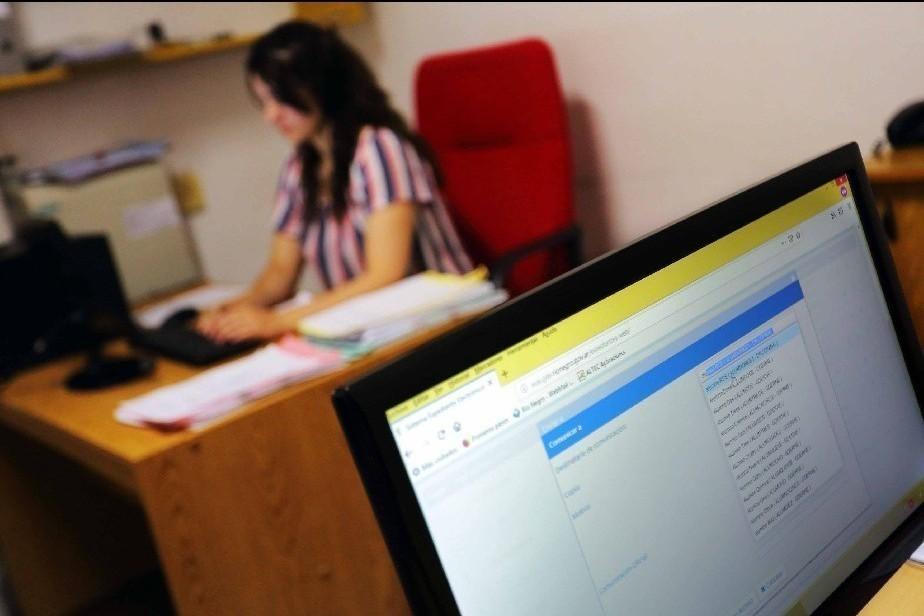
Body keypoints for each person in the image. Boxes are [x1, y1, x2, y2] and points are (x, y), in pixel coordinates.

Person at [197, 21, 473, 343]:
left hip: (439, 323)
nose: (270, 115)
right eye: (264, 102)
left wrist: (278, 320)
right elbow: (280, 271)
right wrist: (233, 310)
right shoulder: (299, 167)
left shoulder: (380, 149)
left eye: (281, 99)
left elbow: (385, 274)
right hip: (371, 329)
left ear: (321, 87)